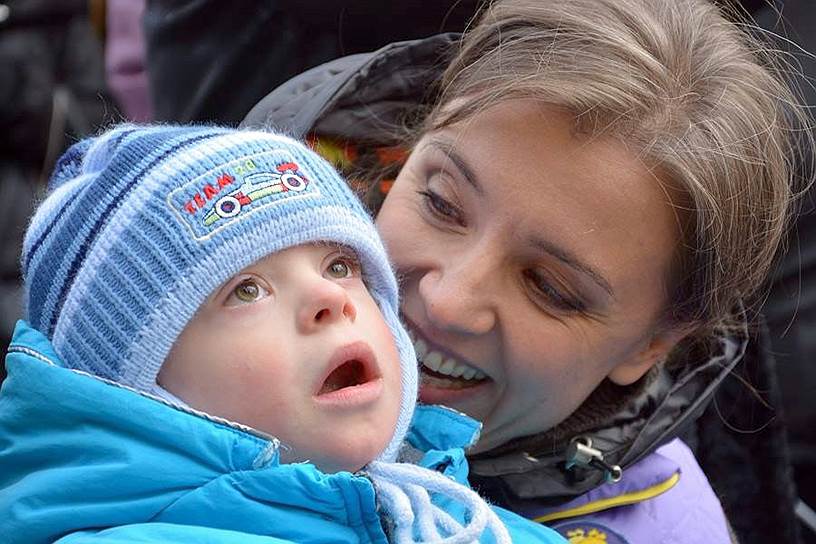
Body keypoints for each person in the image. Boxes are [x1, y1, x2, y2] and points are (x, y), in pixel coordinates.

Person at [240, 0, 813, 542]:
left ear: (652, 345)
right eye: (442, 203)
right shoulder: (190, 303)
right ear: (408, 148)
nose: (449, 301)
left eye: (549, 288)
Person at [0, 124, 567, 544]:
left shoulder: (469, 521)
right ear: (135, 391)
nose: (330, 299)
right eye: (246, 290)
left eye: (341, 267)